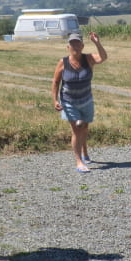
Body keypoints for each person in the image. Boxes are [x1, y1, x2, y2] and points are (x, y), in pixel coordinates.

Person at [52, 32, 107, 173]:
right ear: (67, 47)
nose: (75, 46)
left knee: (84, 128)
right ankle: (79, 162)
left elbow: (103, 57)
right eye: (72, 44)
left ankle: (85, 152)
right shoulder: (62, 62)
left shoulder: (88, 59)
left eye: (78, 43)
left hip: (86, 99)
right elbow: (56, 82)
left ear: (82, 46)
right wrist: (55, 100)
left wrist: (97, 42)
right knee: (77, 129)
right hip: (69, 101)